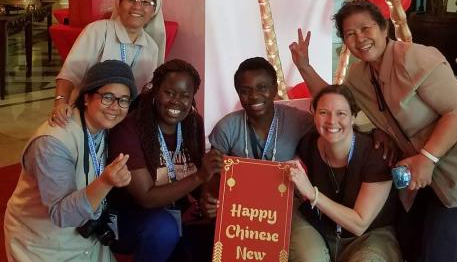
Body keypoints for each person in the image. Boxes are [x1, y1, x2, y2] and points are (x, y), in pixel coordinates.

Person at [290, 0, 457, 262]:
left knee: (440, 246)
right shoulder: (360, 73)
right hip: (417, 175)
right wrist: (304, 66)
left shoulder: (417, 58)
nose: (360, 39)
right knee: (409, 240)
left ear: (383, 28)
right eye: (350, 34)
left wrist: (428, 157)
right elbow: (335, 103)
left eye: (365, 29)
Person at [4, 60, 136, 261]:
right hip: (42, 243)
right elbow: (61, 214)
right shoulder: (52, 142)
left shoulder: (105, 128)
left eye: (124, 100)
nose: (115, 107)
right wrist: (106, 182)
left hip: (86, 237)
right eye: (107, 97)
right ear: (86, 98)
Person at [108, 59, 224, 262]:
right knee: (163, 228)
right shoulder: (129, 129)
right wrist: (199, 177)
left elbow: (199, 181)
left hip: (177, 214)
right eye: (169, 93)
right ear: (154, 91)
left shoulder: (193, 124)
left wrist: (208, 202)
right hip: (129, 219)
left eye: (185, 96)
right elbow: (146, 198)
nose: (176, 101)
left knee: (214, 227)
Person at [288, 84, 402, 262]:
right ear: (314, 114)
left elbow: (359, 224)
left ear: (354, 117)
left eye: (341, 113)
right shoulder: (307, 144)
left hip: (369, 236)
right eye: (323, 112)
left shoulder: (377, 153)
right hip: (323, 229)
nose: (331, 121)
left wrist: (312, 193)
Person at [202, 56, 313, 217]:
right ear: (238, 93)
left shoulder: (298, 120)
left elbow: (328, 125)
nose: (254, 96)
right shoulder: (226, 128)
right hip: (241, 208)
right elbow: (211, 177)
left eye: (262, 87)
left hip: (285, 206)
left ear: (274, 89)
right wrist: (209, 201)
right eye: (245, 91)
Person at [50, 0, 165, 126]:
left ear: (154, 10)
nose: (137, 7)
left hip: (126, 119)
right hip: (88, 117)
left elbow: (146, 92)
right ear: (119, 3)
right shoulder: (97, 31)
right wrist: (60, 103)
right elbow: (70, 73)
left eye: (145, 2)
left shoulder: (151, 47)